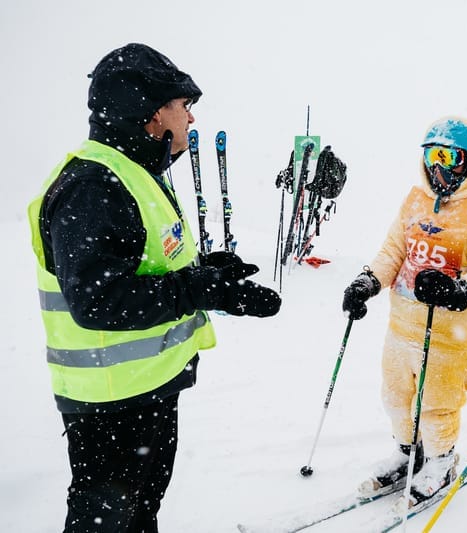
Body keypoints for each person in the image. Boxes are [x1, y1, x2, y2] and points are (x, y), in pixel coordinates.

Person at [27, 43, 281, 533]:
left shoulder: (129, 174)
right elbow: (99, 300)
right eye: (182, 106)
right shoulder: (94, 184)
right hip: (110, 401)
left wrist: (209, 272)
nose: (190, 119)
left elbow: (144, 264)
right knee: (107, 522)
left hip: (144, 388)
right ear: (147, 113)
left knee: (139, 515)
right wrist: (204, 291)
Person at [341, 116, 467, 507]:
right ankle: (407, 451)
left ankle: (440, 459)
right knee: (397, 396)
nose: (439, 167)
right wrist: (369, 281)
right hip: (402, 324)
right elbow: (394, 252)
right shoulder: (415, 200)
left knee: (437, 402)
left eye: (449, 157)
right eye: (432, 155)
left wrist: (459, 289)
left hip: (451, 332)